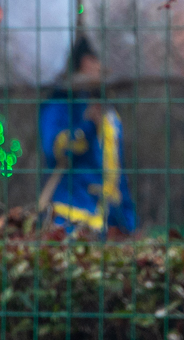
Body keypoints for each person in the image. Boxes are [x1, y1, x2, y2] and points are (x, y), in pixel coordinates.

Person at [36, 36, 135, 237]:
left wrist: (128, 220)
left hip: (108, 224)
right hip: (67, 220)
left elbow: (116, 171)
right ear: (85, 61)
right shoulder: (59, 104)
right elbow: (56, 149)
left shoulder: (108, 111)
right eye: (102, 60)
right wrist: (88, 125)